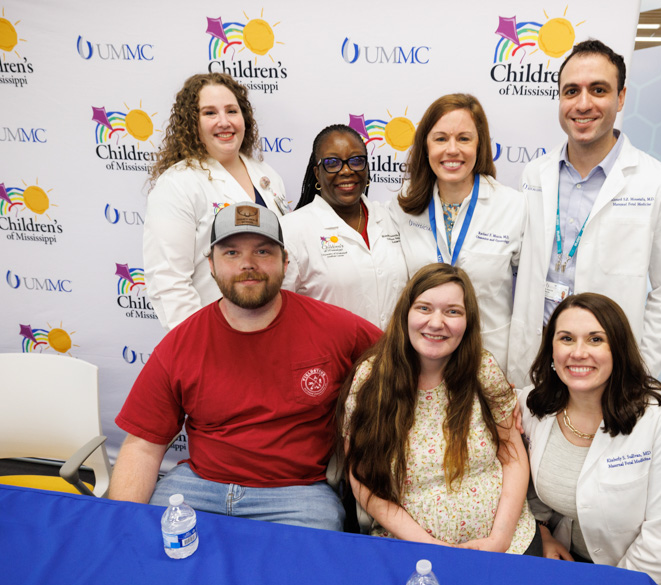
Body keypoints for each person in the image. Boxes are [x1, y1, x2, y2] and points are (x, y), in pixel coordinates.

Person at [110, 203, 382, 531]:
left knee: (307, 574)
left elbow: (402, 364)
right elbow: (142, 446)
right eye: (232, 253)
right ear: (210, 265)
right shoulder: (181, 343)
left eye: (263, 251)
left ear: (284, 262)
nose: (248, 265)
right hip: (196, 487)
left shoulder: (337, 329)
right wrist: (120, 529)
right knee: (148, 553)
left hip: (297, 495)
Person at [507, 40, 661, 388]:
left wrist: (637, 371)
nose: (583, 104)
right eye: (571, 91)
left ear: (621, 97)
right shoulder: (535, 174)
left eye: (598, 90)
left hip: (608, 374)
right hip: (533, 365)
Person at [520, 292, 661, 585]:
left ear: (618, 349)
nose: (578, 352)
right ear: (551, 350)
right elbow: (527, 483)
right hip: (576, 567)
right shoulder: (535, 405)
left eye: (595, 340)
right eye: (566, 339)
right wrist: (542, 531)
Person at [341, 263, 537, 553]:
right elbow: (362, 479)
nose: (436, 322)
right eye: (424, 308)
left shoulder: (482, 369)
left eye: (452, 311)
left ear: (467, 321)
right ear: (405, 313)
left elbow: (512, 456)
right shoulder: (371, 379)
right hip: (410, 547)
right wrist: (431, 546)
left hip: (508, 543)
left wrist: (500, 539)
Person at [389, 93, 526, 373]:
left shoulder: (514, 207)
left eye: (464, 138)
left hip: (490, 361)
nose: (452, 150)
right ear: (425, 146)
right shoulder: (404, 205)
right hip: (421, 363)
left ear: (480, 145)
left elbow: (528, 301)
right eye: (440, 139)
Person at [144, 72, 289, 330]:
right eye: (210, 113)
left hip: (272, 328)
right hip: (212, 334)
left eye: (232, 111)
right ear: (193, 123)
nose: (224, 122)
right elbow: (168, 280)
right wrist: (195, 343)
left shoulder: (268, 176)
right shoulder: (178, 184)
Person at [280, 124, 408, 329]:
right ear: (317, 172)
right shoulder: (291, 230)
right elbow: (280, 312)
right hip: (331, 358)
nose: (347, 170)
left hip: (394, 358)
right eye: (332, 163)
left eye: (357, 161)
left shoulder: (391, 218)